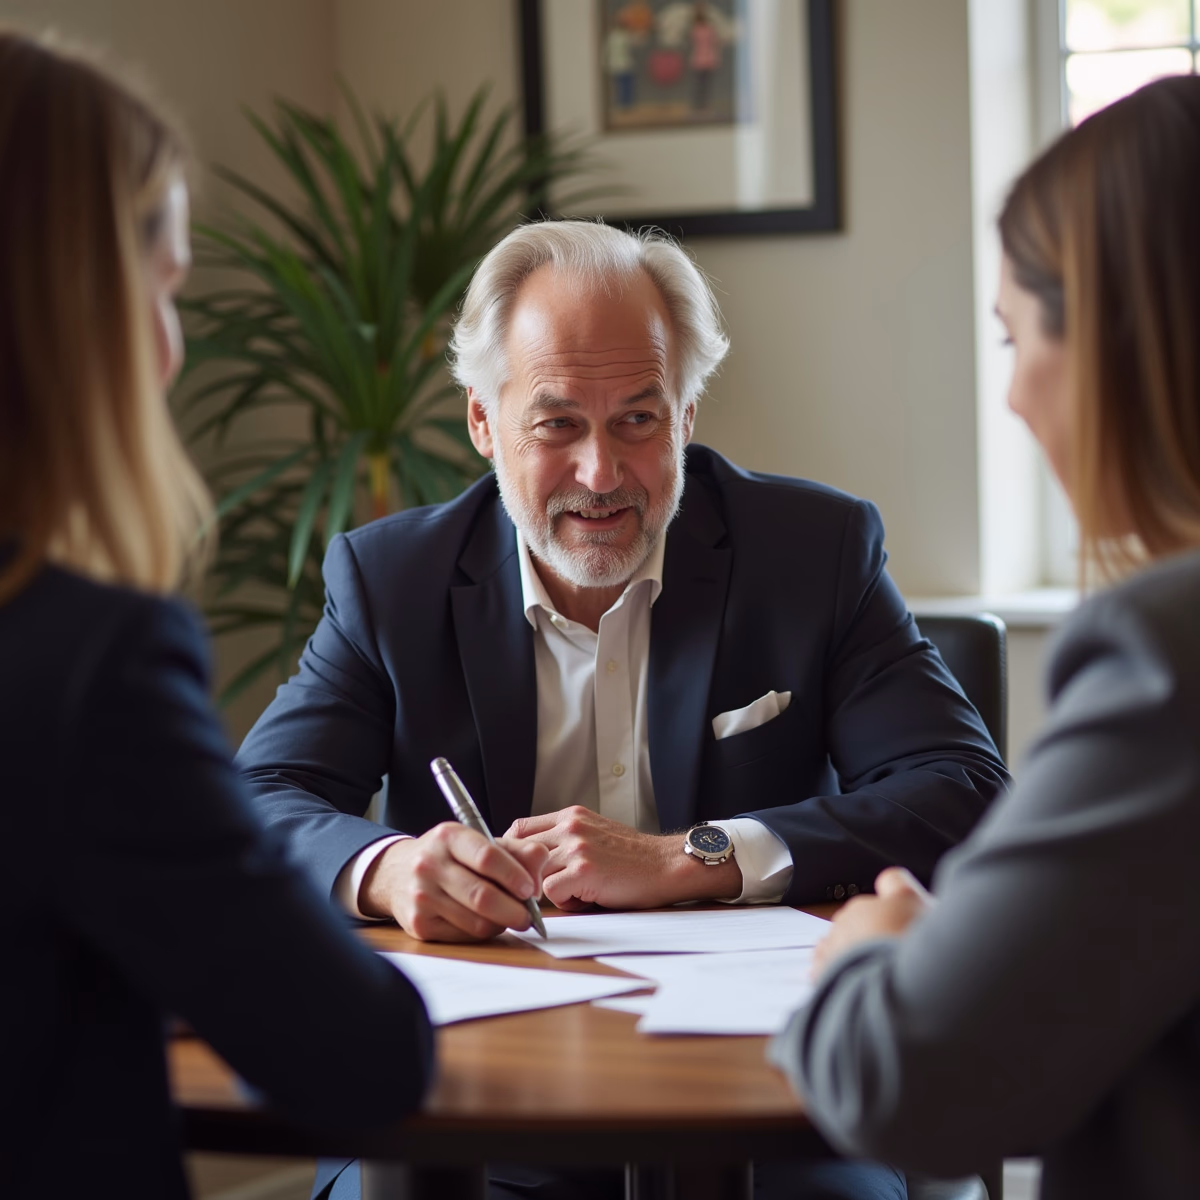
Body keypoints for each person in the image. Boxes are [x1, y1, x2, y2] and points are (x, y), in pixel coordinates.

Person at [237, 218, 1008, 1199]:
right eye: (557, 424)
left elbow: (963, 790)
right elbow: (257, 801)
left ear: (686, 415)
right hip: (470, 1103)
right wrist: (387, 868)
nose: (601, 474)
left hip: (770, 1099)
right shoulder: (393, 580)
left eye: (637, 420)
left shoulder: (815, 554)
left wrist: (691, 857)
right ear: (483, 422)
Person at [0, 32, 434, 1200]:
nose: (169, 347)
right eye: (164, 289)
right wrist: (384, 867)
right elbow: (360, 1059)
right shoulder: (89, 667)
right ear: (76, 311)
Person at [770, 76, 1200, 1200]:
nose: (1011, 399)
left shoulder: (1169, 655)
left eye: (1014, 338)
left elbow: (909, 1083)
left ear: (1121, 342)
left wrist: (874, 954)